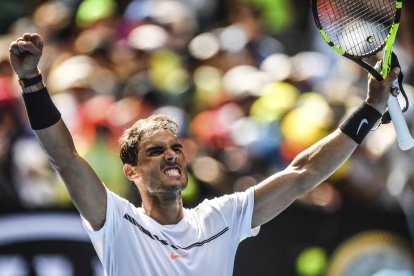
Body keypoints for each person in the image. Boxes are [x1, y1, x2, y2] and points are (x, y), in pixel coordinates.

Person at [9, 33, 400, 276]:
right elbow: (65, 157)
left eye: (176, 148)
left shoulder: (221, 217)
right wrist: (31, 83)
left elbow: (304, 173)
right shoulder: (115, 221)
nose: (171, 156)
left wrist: (368, 111)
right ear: (131, 172)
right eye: (155, 151)